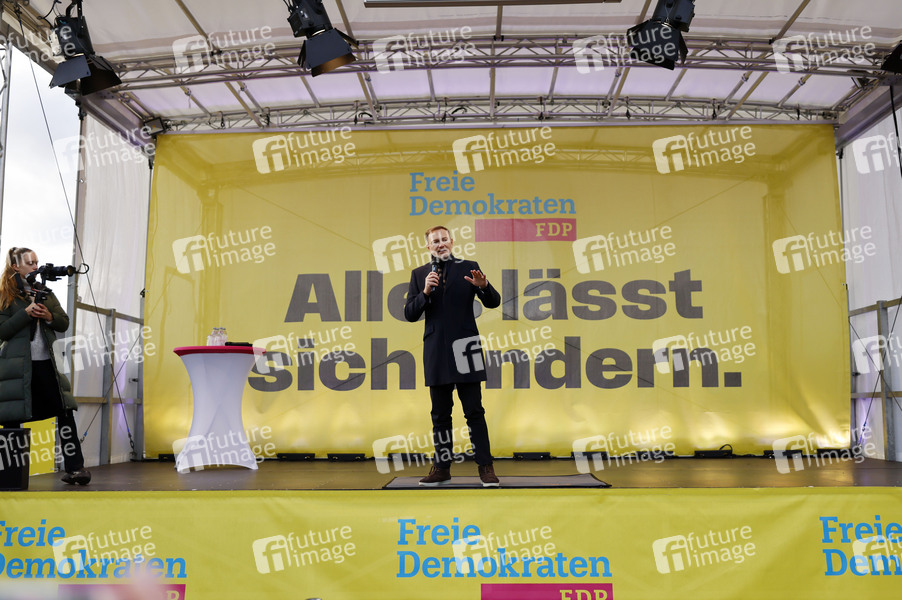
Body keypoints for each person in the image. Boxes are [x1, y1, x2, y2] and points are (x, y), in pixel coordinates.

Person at [404, 226, 502, 487]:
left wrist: (484, 287)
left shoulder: (469, 267)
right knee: (440, 414)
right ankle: (442, 467)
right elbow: (410, 314)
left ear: (451, 241)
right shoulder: (419, 274)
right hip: (436, 350)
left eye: (444, 239)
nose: (440, 244)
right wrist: (425, 292)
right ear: (428, 246)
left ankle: (486, 467)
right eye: (435, 241)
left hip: (466, 348)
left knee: (474, 411)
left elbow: (493, 302)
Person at [0, 247, 90, 485]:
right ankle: (10, 475)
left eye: (36, 262)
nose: (35, 266)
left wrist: (49, 316)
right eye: (30, 263)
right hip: (16, 368)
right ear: (15, 266)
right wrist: (26, 313)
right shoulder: (4, 294)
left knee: (65, 411)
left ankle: (76, 469)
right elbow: (2, 332)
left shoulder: (45, 292)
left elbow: (63, 322)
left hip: (47, 364)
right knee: (12, 417)